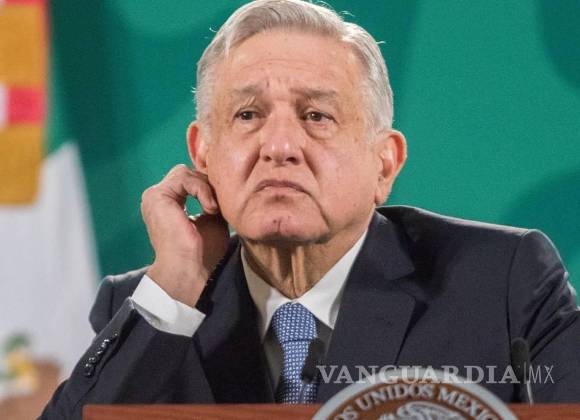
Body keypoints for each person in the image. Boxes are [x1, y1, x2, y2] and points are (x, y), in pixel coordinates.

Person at [41, 0, 580, 418]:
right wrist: (177, 284)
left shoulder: (502, 285)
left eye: (317, 116)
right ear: (203, 153)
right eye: (248, 115)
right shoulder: (150, 308)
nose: (279, 146)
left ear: (384, 164)